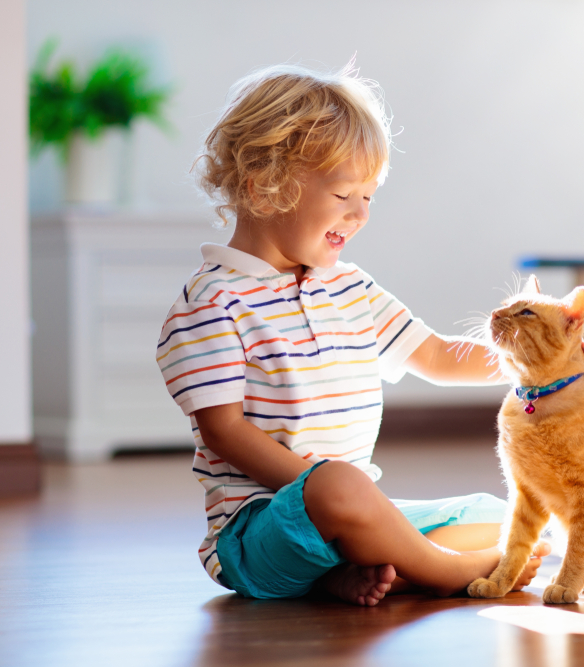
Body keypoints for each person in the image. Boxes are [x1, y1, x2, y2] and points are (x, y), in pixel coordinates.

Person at [156, 62, 548, 606]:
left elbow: (434, 353)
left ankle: (359, 573)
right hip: (262, 532)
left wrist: (534, 365)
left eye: (370, 195)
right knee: (339, 487)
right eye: (345, 195)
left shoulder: (349, 288)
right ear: (265, 187)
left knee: (495, 514)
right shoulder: (212, 302)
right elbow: (224, 432)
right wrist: (326, 488)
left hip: (354, 513)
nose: (361, 214)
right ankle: (444, 571)